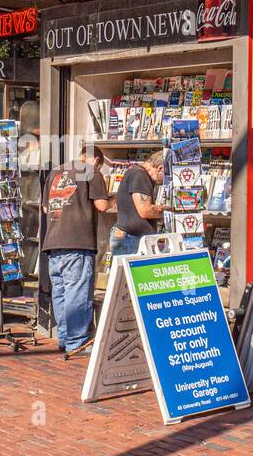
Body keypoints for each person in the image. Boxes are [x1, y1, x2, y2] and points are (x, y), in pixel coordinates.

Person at [41, 146, 112, 357]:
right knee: (77, 293)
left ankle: (64, 337)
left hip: (53, 242)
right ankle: (78, 342)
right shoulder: (92, 172)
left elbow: (46, 208)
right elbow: (101, 205)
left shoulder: (56, 171)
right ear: (96, 160)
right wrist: (113, 199)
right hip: (78, 241)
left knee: (61, 292)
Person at [107, 150, 165, 259]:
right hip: (130, 238)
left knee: (126, 275)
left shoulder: (136, 172)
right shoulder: (140, 174)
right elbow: (146, 211)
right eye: (167, 175)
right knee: (130, 274)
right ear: (160, 168)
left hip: (129, 237)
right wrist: (172, 210)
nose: (165, 180)